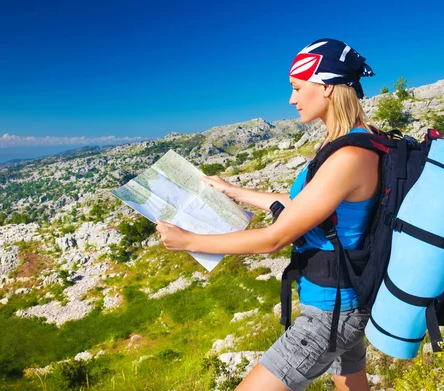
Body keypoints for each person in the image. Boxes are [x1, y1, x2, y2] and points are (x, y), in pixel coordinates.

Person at [155, 38, 378, 391]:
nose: (291, 99)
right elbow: (307, 211)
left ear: (325, 88)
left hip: (331, 313)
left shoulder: (348, 158)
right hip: (346, 300)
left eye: (296, 88)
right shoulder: (353, 142)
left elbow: (275, 238)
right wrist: (234, 191)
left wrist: (189, 241)